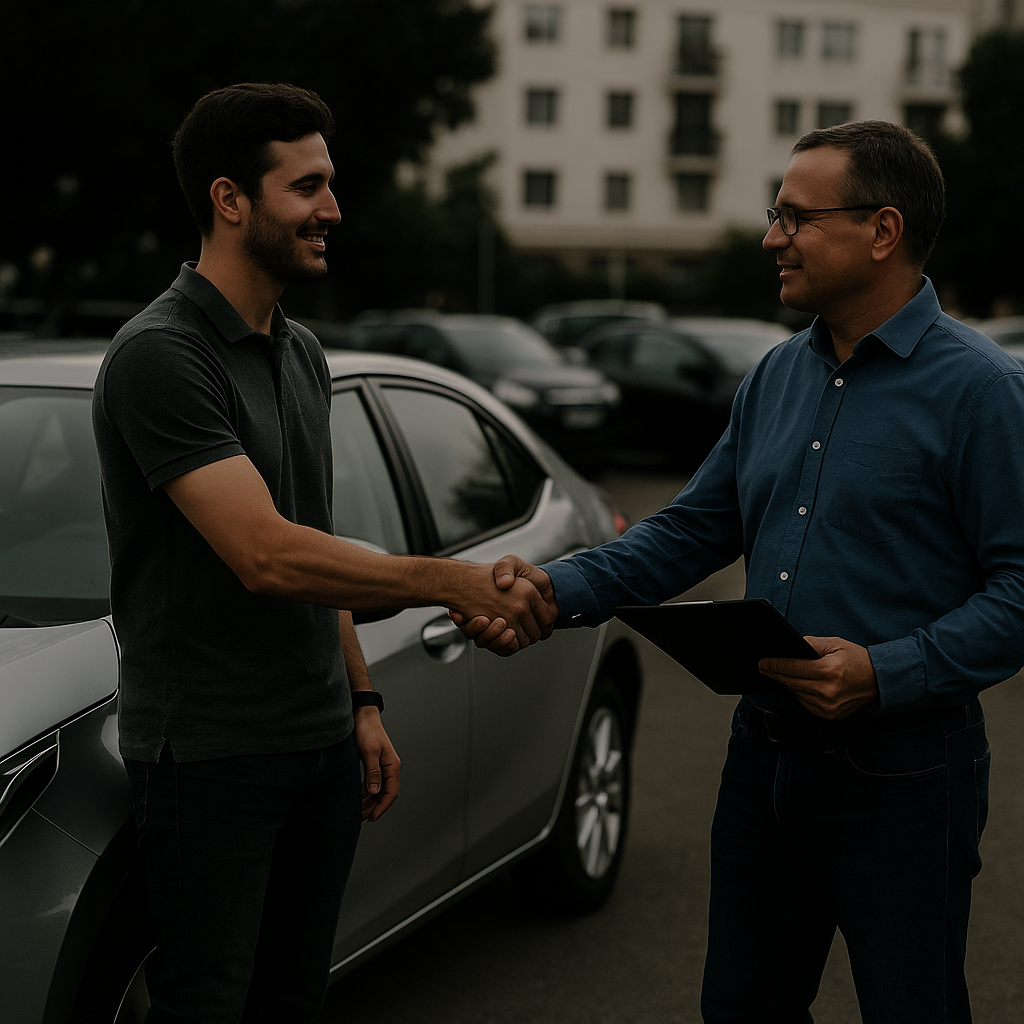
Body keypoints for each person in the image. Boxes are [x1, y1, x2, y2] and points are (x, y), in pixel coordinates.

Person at [456, 121, 1024, 1022]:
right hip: (762, 761)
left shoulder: (984, 391)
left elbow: (1020, 590)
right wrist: (554, 590)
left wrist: (882, 673)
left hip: (906, 777)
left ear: (882, 231)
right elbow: (691, 530)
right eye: (775, 214)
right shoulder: (774, 376)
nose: (771, 238)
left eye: (795, 217)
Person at [92, 82, 553, 1024]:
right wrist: (452, 580)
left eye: (330, 185)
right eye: (307, 188)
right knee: (206, 1003)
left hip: (318, 743)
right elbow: (266, 557)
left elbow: (312, 539)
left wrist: (364, 701)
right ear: (231, 200)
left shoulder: (299, 352)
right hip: (213, 754)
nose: (333, 210)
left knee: (295, 997)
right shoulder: (161, 355)